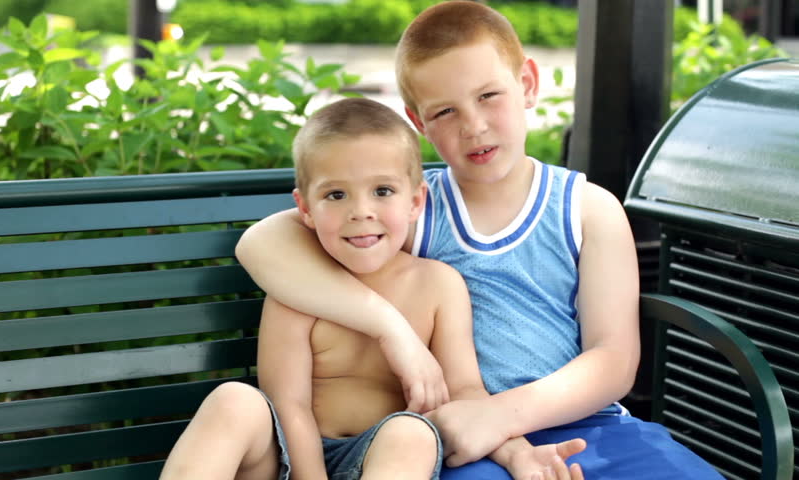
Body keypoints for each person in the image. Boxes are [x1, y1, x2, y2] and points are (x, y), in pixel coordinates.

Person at [234, 2, 726, 480]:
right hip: (462, 442)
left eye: (489, 95)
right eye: (445, 111)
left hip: (589, 426)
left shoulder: (587, 209)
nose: (473, 125)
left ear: (527, 84)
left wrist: (503, 415)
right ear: (418, 123)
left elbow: (613, 359)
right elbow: (261, 243)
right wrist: (391, 328)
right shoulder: (409, 209)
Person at [160, 97, 586, 480]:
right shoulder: (297, 291)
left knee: (411, 431)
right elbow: (287, 402)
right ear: (305, 209)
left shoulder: (437, 285)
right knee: (234, 400)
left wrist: (515, 454)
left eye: (382, 191)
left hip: (384, 460)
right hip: (291, 457)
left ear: (416, 201)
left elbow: (466, 393)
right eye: (336, 195)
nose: (361, 212)